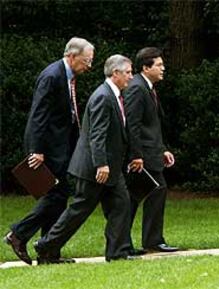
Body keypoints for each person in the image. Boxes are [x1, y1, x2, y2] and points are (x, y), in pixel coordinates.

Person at [33, 54, 141, 264]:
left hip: (110, 166)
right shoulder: (103, 96)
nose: (131, 76)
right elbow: (97, 135)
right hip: (95, 167)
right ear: (115, 73)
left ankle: (117, 252)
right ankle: (46, 245)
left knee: (121, 205)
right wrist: (101, 163)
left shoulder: (115, 95)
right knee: (79, 211)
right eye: (128, 72)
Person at [4, 37, 94, 265]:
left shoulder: (67, 76)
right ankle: (19, 234)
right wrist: (36, 149)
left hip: (60, 146)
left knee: (58, 196)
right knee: (56, 195)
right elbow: (38, 114)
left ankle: (49, 252)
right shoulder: (52, 75)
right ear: (72, 56)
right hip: (48, 148)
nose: (89, 66)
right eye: (86, 61)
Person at [123, 47, 178, 254]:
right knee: (153, 191)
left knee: (135, 197)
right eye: (159, 65)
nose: (163, 69)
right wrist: (136, 155)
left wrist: (162, 149)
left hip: (150, 152)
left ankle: (127, 242)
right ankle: (150, 240)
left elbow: (151, 125)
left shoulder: (147, 88)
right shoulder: (138, 88)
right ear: (146, 67)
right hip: (143, 156)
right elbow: (133, 125)